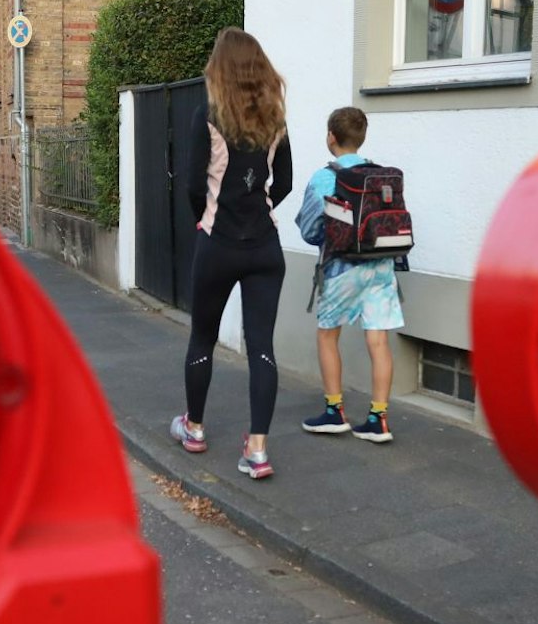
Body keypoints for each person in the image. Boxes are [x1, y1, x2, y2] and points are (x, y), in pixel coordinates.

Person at [170, 28, 295, 481]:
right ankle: (258, 451)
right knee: (262, 346)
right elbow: (283, 183)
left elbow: (190, 183)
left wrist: (204, 217)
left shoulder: (207, 112)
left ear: (219, 67)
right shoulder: (275, 118)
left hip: (217, 243)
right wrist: (257, 210)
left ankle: (195, 428)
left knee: (202, 337)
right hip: (265, 248)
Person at [297, 106, 401, 443]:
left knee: (328, 334)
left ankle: (334, 411)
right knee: (379, 339)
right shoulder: (380, 176)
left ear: (331, 136)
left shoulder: (324, 177)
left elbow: (311, 229)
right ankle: (378, 419)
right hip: (381, 266)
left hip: (342, 267)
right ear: (362, 137)